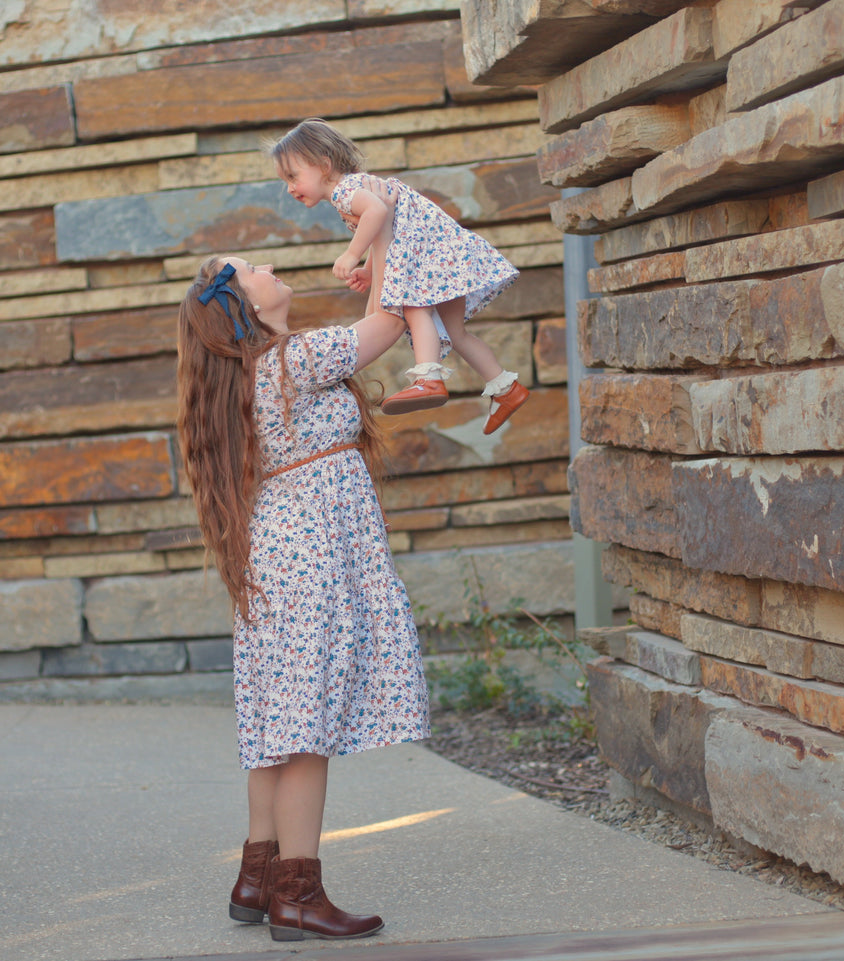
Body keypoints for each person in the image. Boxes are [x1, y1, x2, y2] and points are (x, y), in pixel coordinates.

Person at [175, 254, 431, 942]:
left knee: (277, 723)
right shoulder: (290, 361)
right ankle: (297, 892)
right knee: (304, 731)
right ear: (242, 308)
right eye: (249, 267)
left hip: (280, 554)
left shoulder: (258, 371)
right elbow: (384, 326)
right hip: (309, 556)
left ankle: (257, 875)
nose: (265, 263)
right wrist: (383, 247)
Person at [269, 117, 530, 434]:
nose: (289, 187)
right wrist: (367, 270)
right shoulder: (357, 186)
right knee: (455, 332)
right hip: (442, 252)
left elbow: (378, 212)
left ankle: (428, 379)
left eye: (293, 176)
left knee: (413, 305)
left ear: (324, 165)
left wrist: (351, 255)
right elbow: (386, 227)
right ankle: (505, 388)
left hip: (429, 255)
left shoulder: (345, 190)